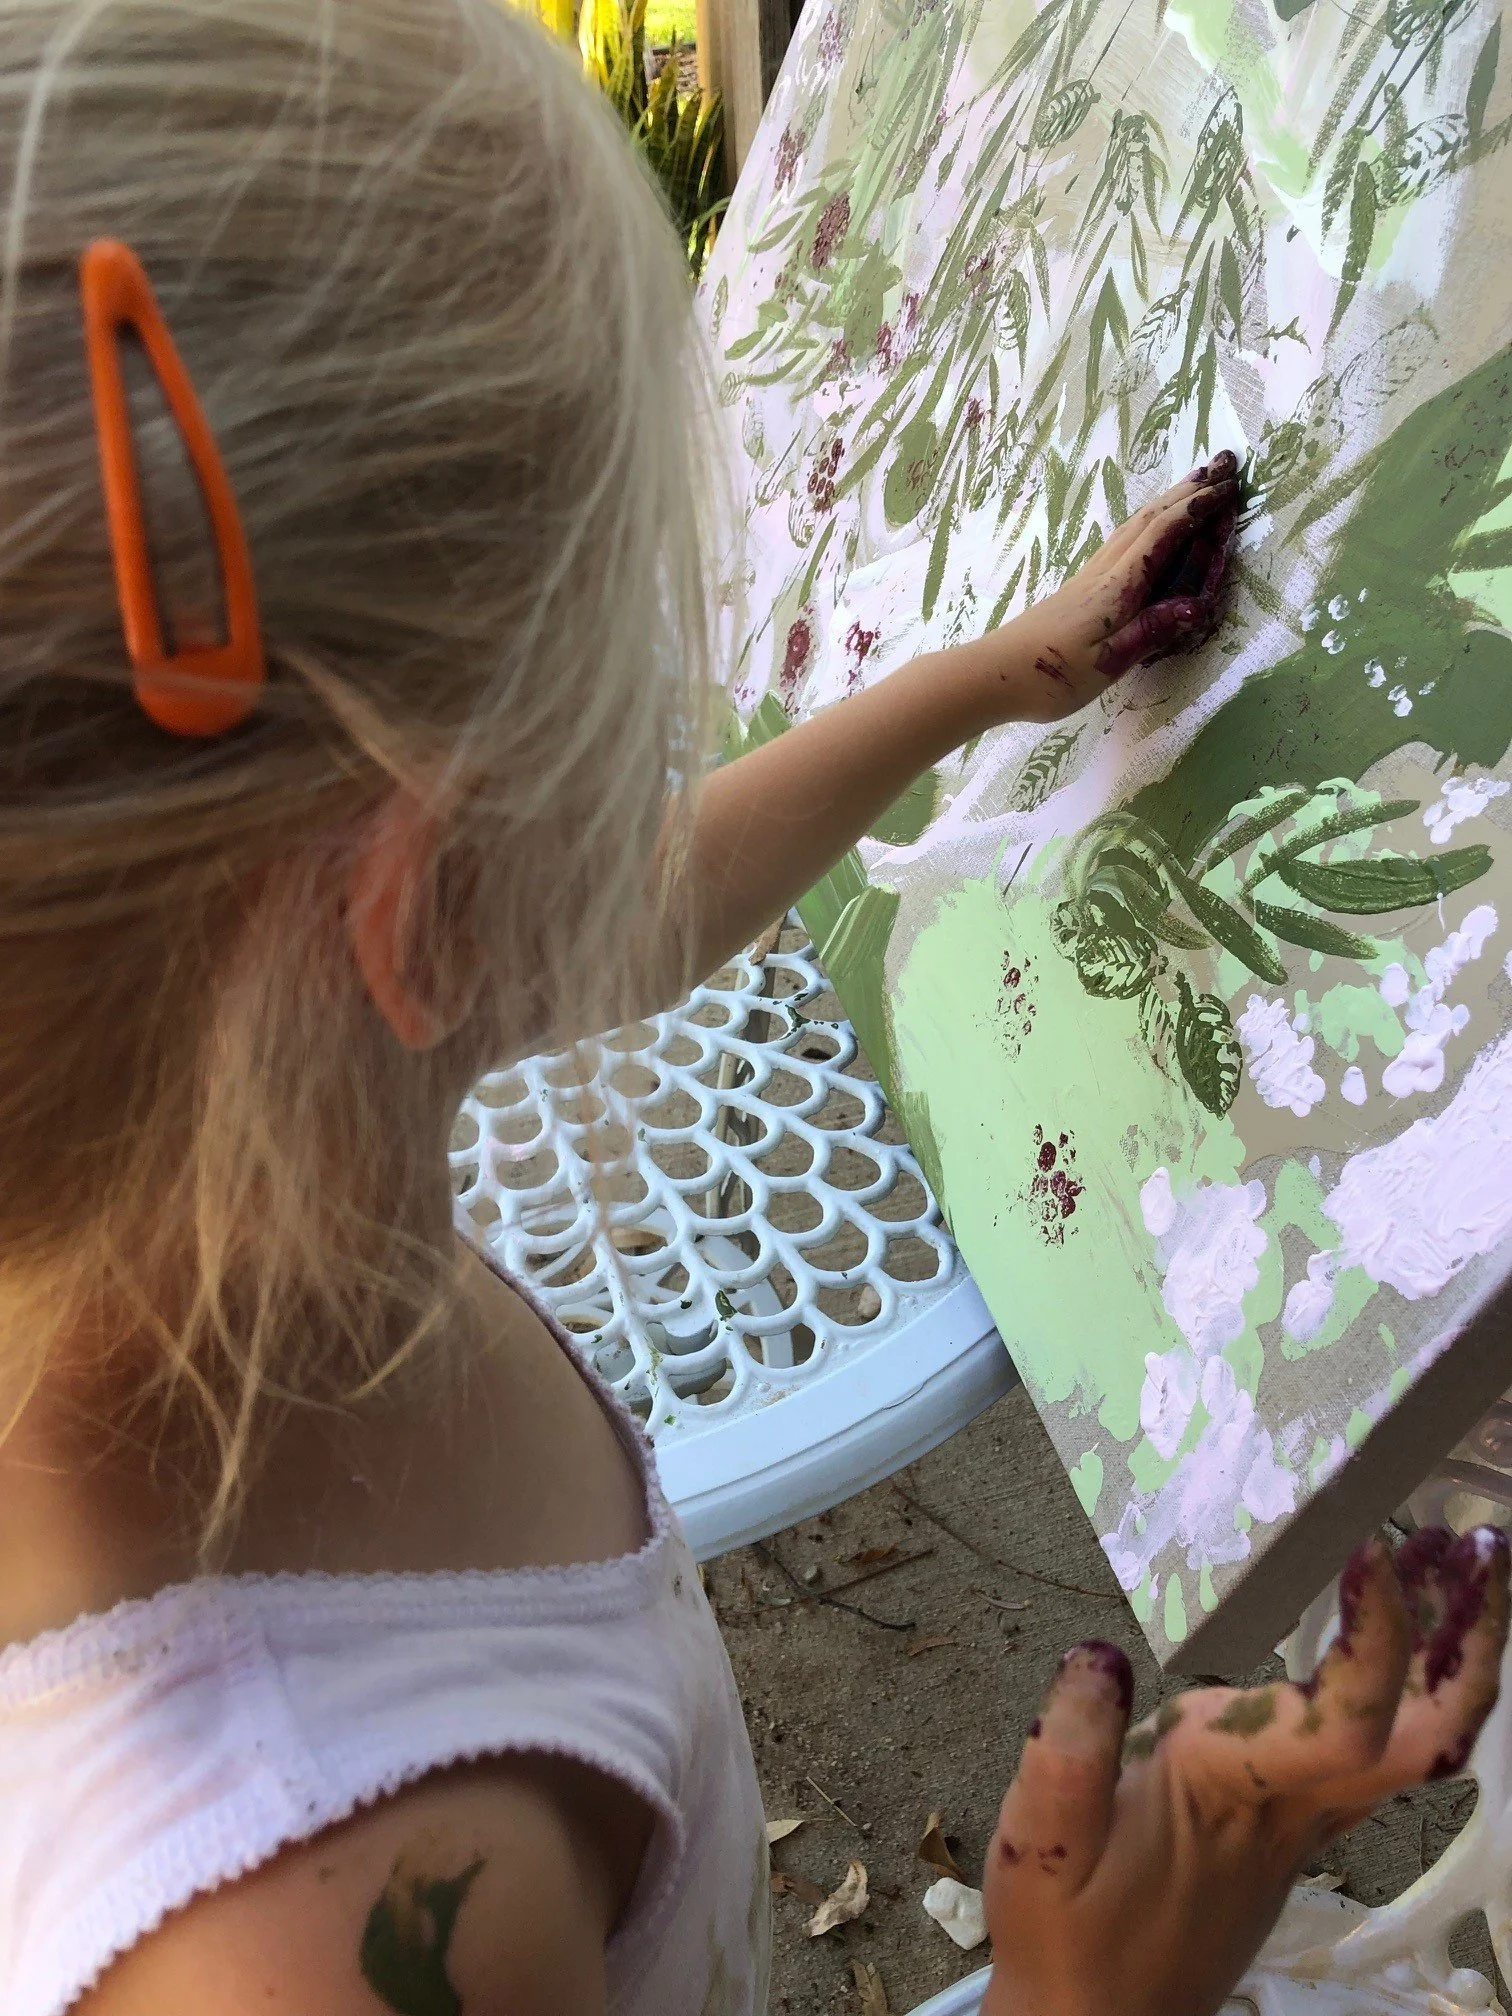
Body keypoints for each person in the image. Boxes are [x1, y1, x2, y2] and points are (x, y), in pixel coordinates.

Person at [0, 6, 1504, 2015]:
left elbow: (596, 917)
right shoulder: (307, 1915)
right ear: (421, 906)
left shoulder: (199, 1158)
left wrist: (990, 679)